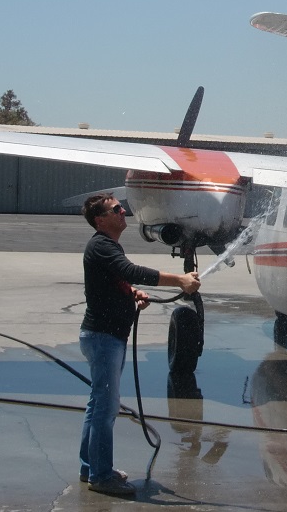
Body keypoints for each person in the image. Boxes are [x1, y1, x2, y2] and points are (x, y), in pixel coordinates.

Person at [78, 193, 201, 497]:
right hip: (104, 340)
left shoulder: (107, 247)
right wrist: (180, 280)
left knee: (98, 405)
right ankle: (100, 476)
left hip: (106, 338)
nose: (123, 211)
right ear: (100, 220)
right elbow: (131, 271)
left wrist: (130, 293)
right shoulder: (101, 245)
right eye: (116, 209)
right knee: (105, 409)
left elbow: (118, 279)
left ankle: (90, 467)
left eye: (121, 207)